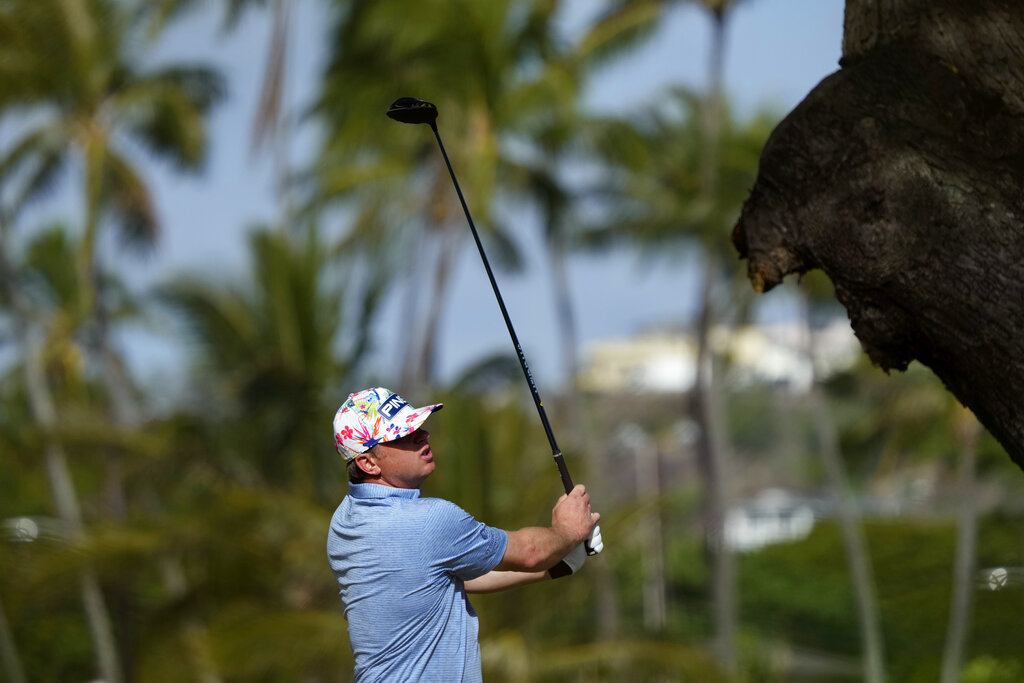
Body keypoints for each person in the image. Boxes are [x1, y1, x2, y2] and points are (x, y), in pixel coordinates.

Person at [327, 386, 602, 682]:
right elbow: (529, 552)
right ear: (368, 463)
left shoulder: (344, 521)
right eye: (403, 435)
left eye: (418, 427)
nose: (423, 436)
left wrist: (559, 564)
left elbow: (450, 577)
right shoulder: (429, 520)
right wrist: (567, 530)